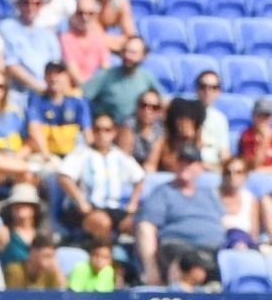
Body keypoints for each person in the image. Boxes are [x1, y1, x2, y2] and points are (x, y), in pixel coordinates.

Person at [136, 146, 226, 285]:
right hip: (179, 247)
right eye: (181, 161)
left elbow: (223, 222)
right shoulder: (162, 192)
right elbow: (146, 226)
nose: (184, 166)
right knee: (188, 259)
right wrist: (151, 268)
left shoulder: (209, 194)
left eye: (190, 162)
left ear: (200, 168)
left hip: (213, 249)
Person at [57, 110, 142, 241]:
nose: (102, 134)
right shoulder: (82, 154)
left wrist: (133, 204)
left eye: (107, 130)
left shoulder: (120, 156)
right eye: (98, 130)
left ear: (114, 133)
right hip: (89, 209)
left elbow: (139, 177)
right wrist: (81, 201)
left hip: (116, 209)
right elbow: (64, 176)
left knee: (139, 225)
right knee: (102, 222)